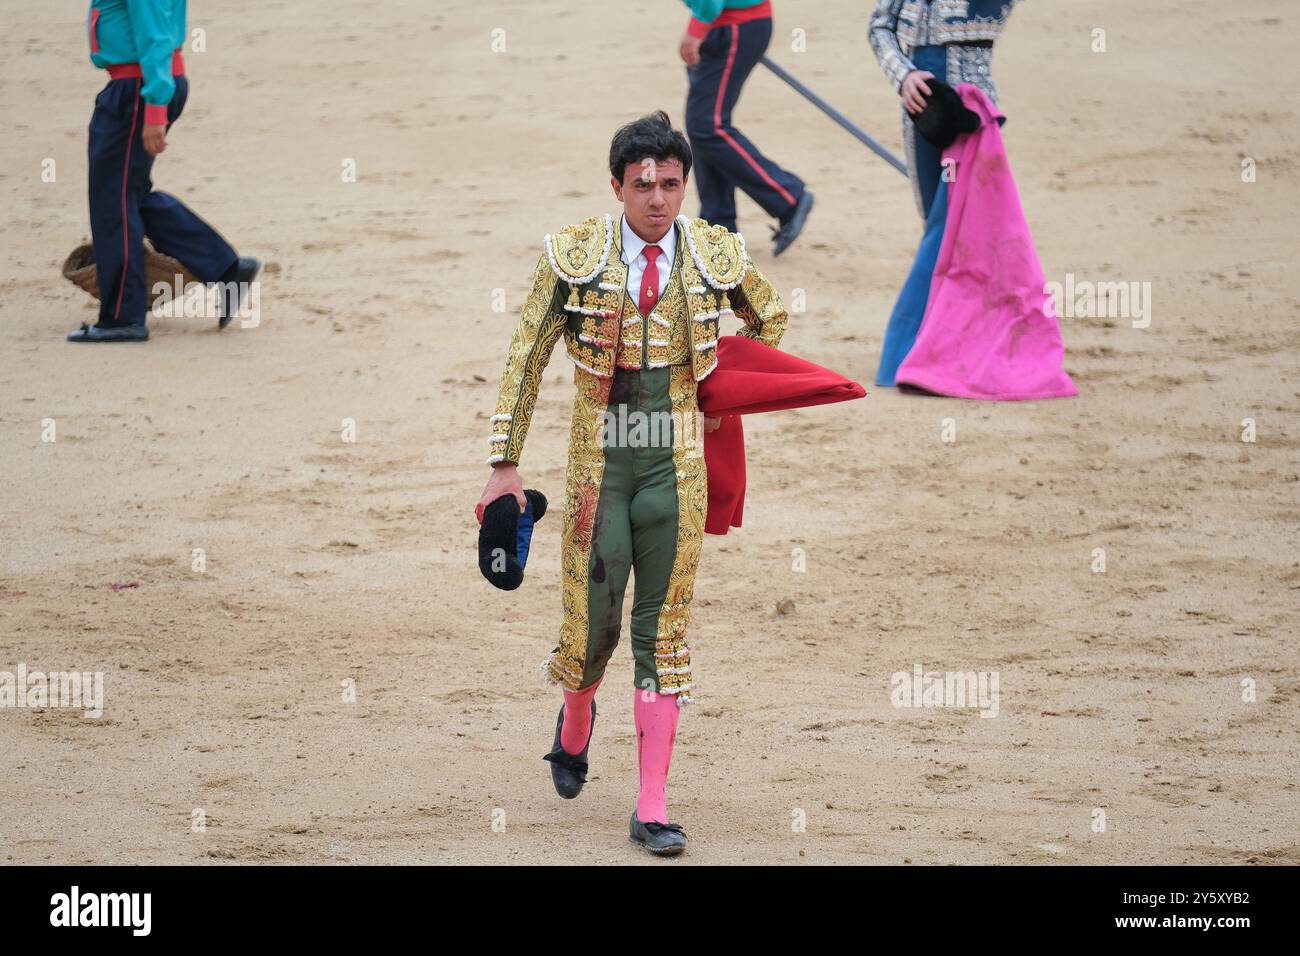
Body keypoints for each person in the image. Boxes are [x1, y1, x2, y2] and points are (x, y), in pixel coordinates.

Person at [475, 112, 788, 856]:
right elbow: (526, 357)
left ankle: (651, 805)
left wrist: (720, 373)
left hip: (674, 464)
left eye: (670, 184)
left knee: (664, 634)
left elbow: (770, 317)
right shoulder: (571, 256)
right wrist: (503, 463)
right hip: (599, 465)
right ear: (616, 185)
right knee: (591, 632)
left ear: (685, 186)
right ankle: (576, 721)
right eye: (642, 183)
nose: (656, 198)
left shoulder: (715, 253)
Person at [71, 0, 259, 343]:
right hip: (140, 85)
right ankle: (225, 268)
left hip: (141, 87)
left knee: (113, 201)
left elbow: (155, 35)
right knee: (128, 193)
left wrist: (155, 109)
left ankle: (122, 318)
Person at [679, 0, 814, 256]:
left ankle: (788, 198)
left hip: (736, 25)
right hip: (726, 23)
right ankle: (717, 230)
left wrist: (697, 28)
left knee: (707, 126)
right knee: (703, 125)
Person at [868, 0, 1015, 220]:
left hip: (972, 107)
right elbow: (880, 26)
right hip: (922, 106)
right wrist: (903, 75)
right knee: (933, 211)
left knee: (966, 214)